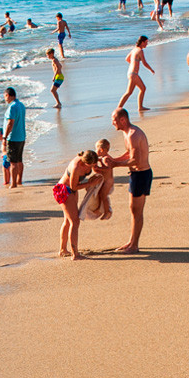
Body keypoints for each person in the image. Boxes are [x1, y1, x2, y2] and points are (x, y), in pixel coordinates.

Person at [107, 108, 151, 253]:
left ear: (122, 120)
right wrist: (114, 159)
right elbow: (129, 153)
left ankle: (134, 245)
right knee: (134, 210)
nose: (112, 123)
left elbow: (135, 160)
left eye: (114, 120)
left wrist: (115, 164)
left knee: (136, 211)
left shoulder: (133, 134)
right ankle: (131, 241)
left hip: (141, 175)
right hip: (138, 175)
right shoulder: (128, 133)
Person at [53, 150, 107, 259]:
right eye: (90, 166)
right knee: (75, 221)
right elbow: (73, 186)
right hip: (64, 190)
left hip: (72, 191)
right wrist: (90, 183)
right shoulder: (76, 167)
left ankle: (63, 250)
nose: (92, 167)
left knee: (68, 221)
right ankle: (75, 254)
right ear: (84, 163)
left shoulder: (89, 156)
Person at [115, 35, 153, 115]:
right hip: (134, 74)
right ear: (142, 42)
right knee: (139, 89)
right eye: (146, 42)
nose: (147, 44)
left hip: (130, 73)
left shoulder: (134, 50)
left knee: (131, 91)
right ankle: (137, 107)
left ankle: (121, 108)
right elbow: (144, 63)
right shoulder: (140, 51)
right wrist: (151, 69)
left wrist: (134, 63)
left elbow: (127, 59)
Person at [2, 88, 27, 188]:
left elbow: (10, 123)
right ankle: (19, 180)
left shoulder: (12, 107)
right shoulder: (21, 105)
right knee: (19, 160)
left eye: (5, 97)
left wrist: (4, 137)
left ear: (8, 95)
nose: (5, 99)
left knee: (13, 162)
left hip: (13, 137)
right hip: (21, 136)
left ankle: (13, 184)